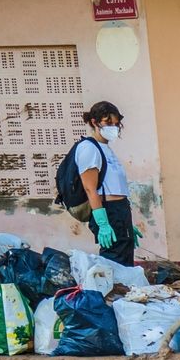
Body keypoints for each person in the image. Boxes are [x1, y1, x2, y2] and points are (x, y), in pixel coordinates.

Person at [75, 101, 138, 266]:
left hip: (120, 210)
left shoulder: (106, 148)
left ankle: (126, 292)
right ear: (94, 122)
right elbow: (90, 188)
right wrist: (103, 223)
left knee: (125, 259)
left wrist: (127, 222)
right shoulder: (89, 148)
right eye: (108, 123)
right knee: (114, 261)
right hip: (107, 211)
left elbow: (116, 185)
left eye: (116, 124)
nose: (114, 127)